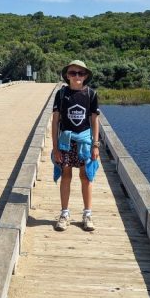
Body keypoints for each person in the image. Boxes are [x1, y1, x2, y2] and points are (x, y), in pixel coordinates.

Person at [51, 60, 100, 232]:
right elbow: (55, 121)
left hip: (85, 142)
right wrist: (55, 147)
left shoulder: (91, 94)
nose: (76, 76)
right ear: (67, 76)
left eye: (80, 73)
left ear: (85, 76)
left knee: (86, 176)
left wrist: (96, 144)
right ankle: (64, 213)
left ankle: (87, 214)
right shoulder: (61, 94)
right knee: (66, 175)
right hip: (66, 141)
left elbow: (94, 120)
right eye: (73, 73)